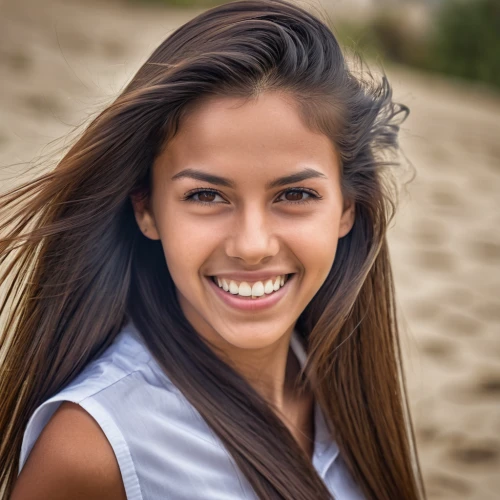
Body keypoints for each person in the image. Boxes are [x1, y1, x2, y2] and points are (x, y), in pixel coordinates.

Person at [0, 0, 425, 498]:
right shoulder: (94, 447)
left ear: (346, 208)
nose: (251, 246)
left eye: (294, 195)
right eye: (206, 196)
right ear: (147, 210)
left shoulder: (352, 395)